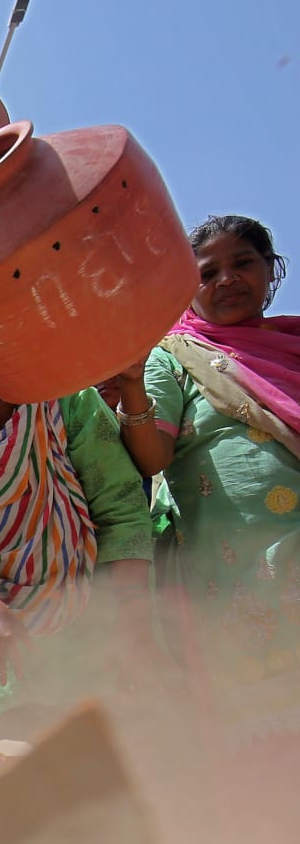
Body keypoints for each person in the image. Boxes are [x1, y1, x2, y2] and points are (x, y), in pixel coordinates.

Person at [112, 215, 300, 747]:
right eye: (208, 270)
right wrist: (130, 385)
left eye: (243, 263)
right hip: (231, 576)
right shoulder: (173, 356)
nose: (227, 279)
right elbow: (151, 459)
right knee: (264, 742)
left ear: (271, 269)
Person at [0, 354, 154, 723]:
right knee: (31, 758)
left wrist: (130, 622)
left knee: (122, 749)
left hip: (99, 612)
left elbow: (122, 509)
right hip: (2, 636)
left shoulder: (66, 401)